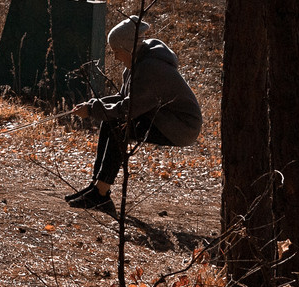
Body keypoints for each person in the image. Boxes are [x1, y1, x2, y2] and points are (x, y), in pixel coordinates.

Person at [64, 16, 201, 212]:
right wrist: (92, 104)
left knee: (121, 126)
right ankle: (97, 186)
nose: (116, 57)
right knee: (110, 122)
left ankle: (101, 194)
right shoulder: (136, 65)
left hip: (182, 127)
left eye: (117, 52)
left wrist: (93, 111)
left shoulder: (150, 69)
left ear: (128, 48)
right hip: (163, 119)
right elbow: (123, 98)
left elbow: (127, 109)